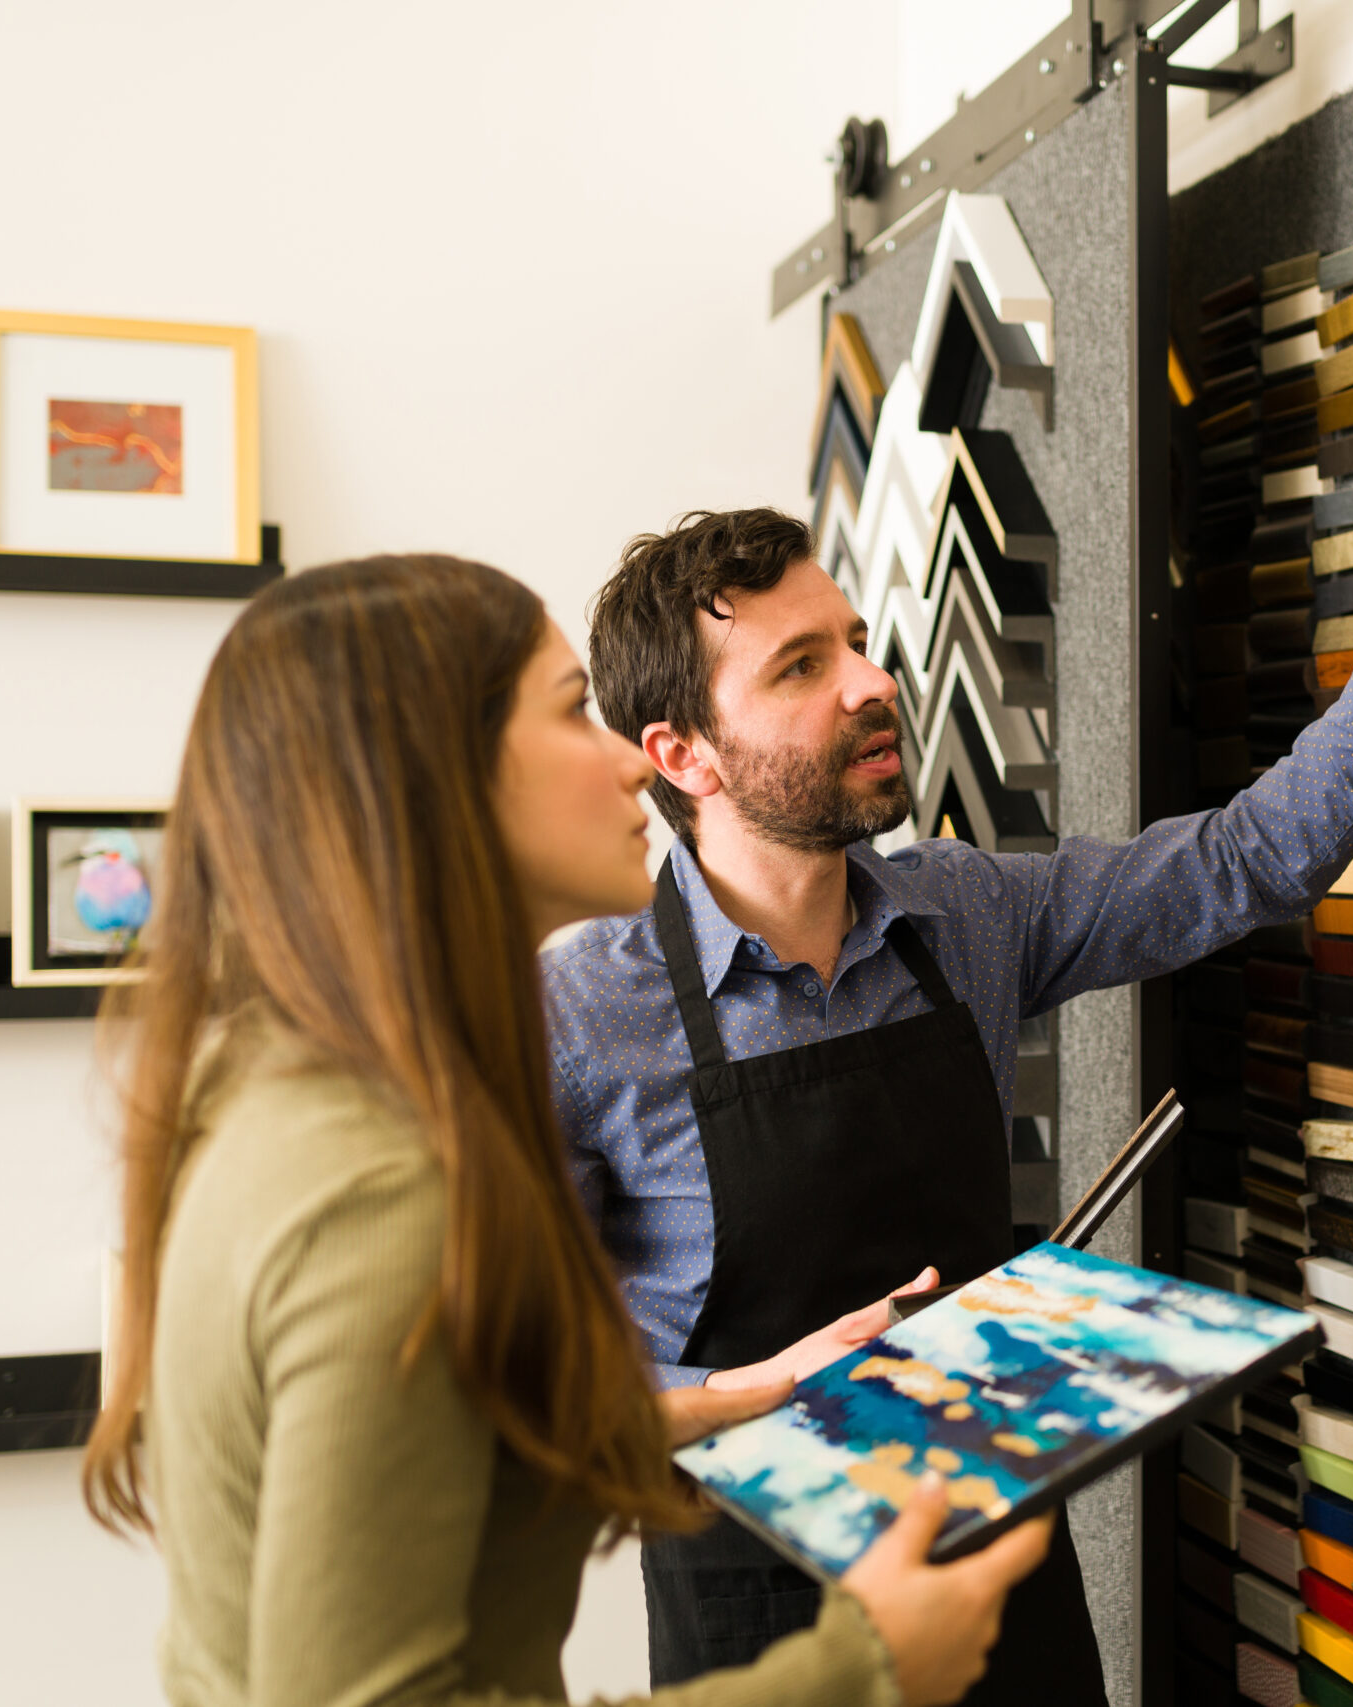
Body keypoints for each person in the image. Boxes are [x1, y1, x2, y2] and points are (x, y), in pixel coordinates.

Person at [542, 426, 1353, 1696]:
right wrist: (750, 1393)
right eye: (802, 667)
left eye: (861, 644)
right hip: (761, 1630)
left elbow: (1244, 861)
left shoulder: (963, 913)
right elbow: (531, 1386)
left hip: (999, 1584)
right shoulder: (577, 1015)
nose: (873, 683)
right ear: (682, 756)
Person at [78, 554, 1054, 1707]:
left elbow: (443, 1447)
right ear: (428, 781)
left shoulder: (294, 1095)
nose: (623, 765)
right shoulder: (382, 1191)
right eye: (566, 715)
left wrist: (737, 1397)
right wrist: (862, 1670)